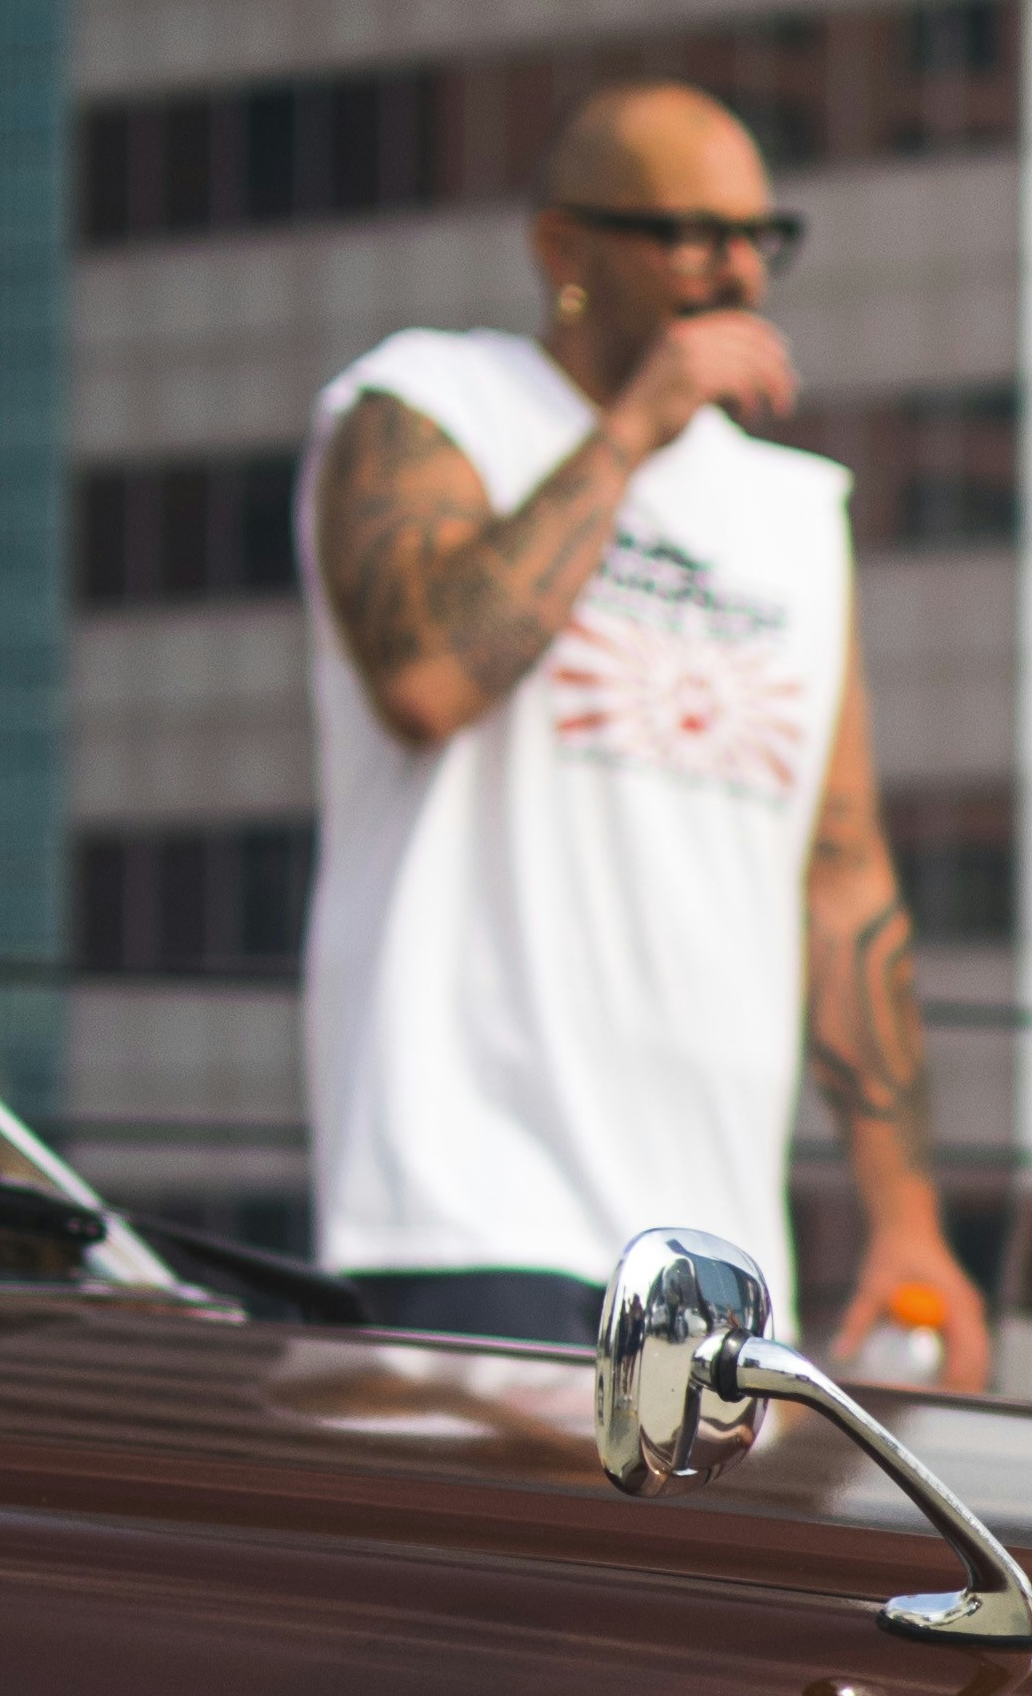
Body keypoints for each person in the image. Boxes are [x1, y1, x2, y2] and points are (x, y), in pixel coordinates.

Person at [300, 77, 991, 1380]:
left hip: (709, 1255)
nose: (731, 270)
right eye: (685, 233)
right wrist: (628, 431)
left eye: (756, 236)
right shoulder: (430, 405)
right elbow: (428, 676)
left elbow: (842, 878)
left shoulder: (793, 514)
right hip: (465, 1208)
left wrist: (906, 1219)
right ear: (564, 249)